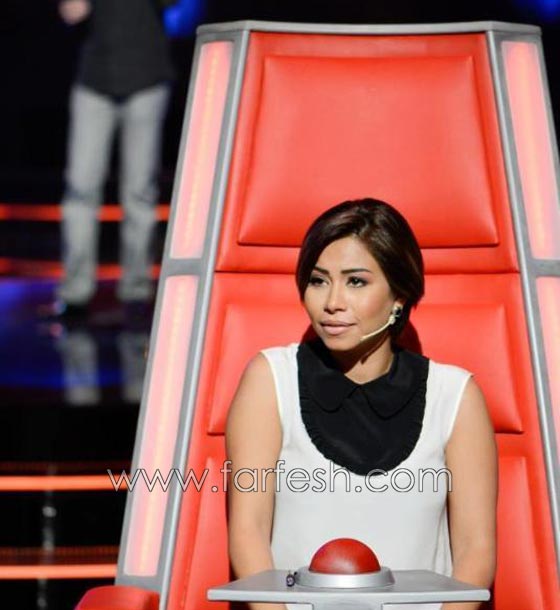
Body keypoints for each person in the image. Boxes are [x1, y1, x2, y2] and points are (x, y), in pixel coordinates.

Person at [226, 199, 497, 610]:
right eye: (318, 281)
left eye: (356, 282)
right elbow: (248, 532)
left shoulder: (455, 395)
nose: (332, 301)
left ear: (399, 294)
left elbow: (476, 550)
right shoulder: (270, 379)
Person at [54, 0, 175, 317]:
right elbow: (71, 11)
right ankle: (75, 291)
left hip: (146, 77)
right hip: (95, 79)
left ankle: (136, 291)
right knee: (80, 188)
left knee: (139, 192)